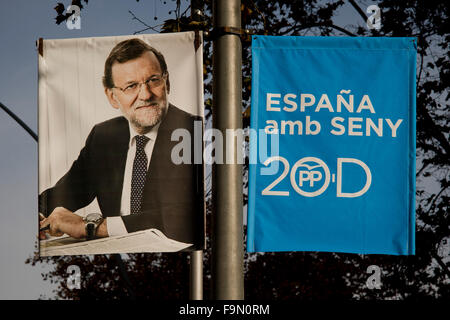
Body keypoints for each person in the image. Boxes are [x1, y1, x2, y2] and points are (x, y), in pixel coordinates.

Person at [39, 38, 204, 248]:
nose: (145, 95)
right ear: (112, 97)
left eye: (153, 80)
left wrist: (91, 227)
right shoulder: (104, 137)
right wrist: (37, 214)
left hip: (176, 264)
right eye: (131, 86)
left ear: (167, 82)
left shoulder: (191, 131)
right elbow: (69, 190)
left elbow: (182, 217)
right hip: (116, 263)